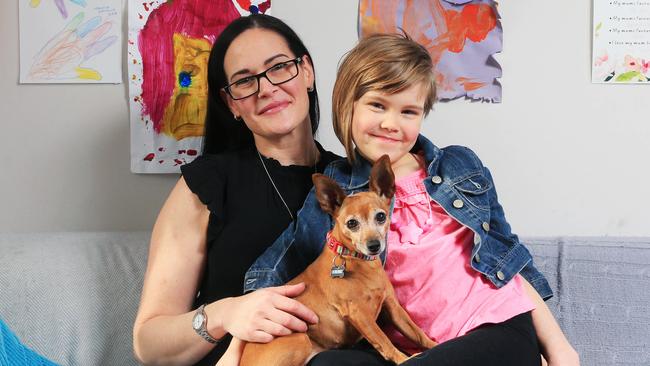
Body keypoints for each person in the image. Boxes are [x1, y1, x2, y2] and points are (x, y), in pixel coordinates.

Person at [243, 34, 580, 365]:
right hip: (419, 347)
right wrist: (234, 351)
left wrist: (559, 349)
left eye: (409, 111)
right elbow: (273, 278)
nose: (391, 123)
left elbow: (507, 261)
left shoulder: (458, 166)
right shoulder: (339, 191)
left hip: (493, 325)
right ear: (348, 106)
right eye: (377, 105)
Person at [132, 14, 340, 366]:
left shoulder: (352, 180)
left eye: (279, 68)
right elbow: (148, 343)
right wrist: (227, 313)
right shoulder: (207, 185)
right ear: (231, 104)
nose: (267, 88)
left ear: (306, 71)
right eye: (245, 81)